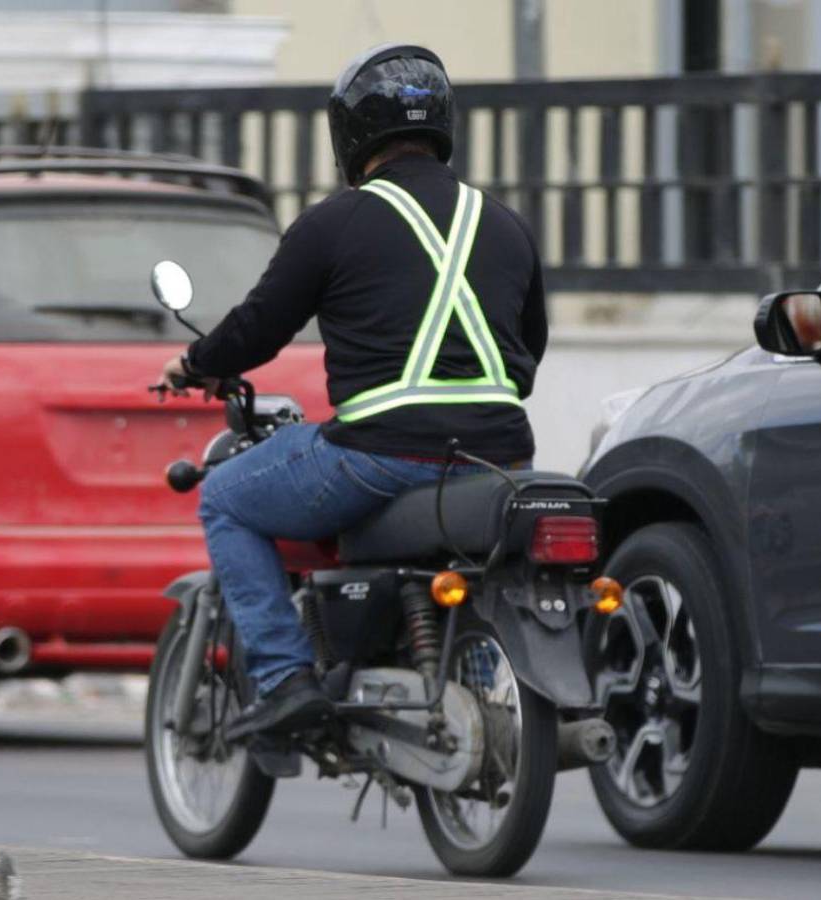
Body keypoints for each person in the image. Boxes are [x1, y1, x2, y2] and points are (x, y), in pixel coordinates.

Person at [158, 43, 547, 741]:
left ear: (352, 133)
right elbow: (528, 355)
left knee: (225, 498)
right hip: (500, 456)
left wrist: (194, 364)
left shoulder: (334, 222)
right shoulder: (506, 225)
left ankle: (283, 679)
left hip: (380, 456)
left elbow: (257, 330)